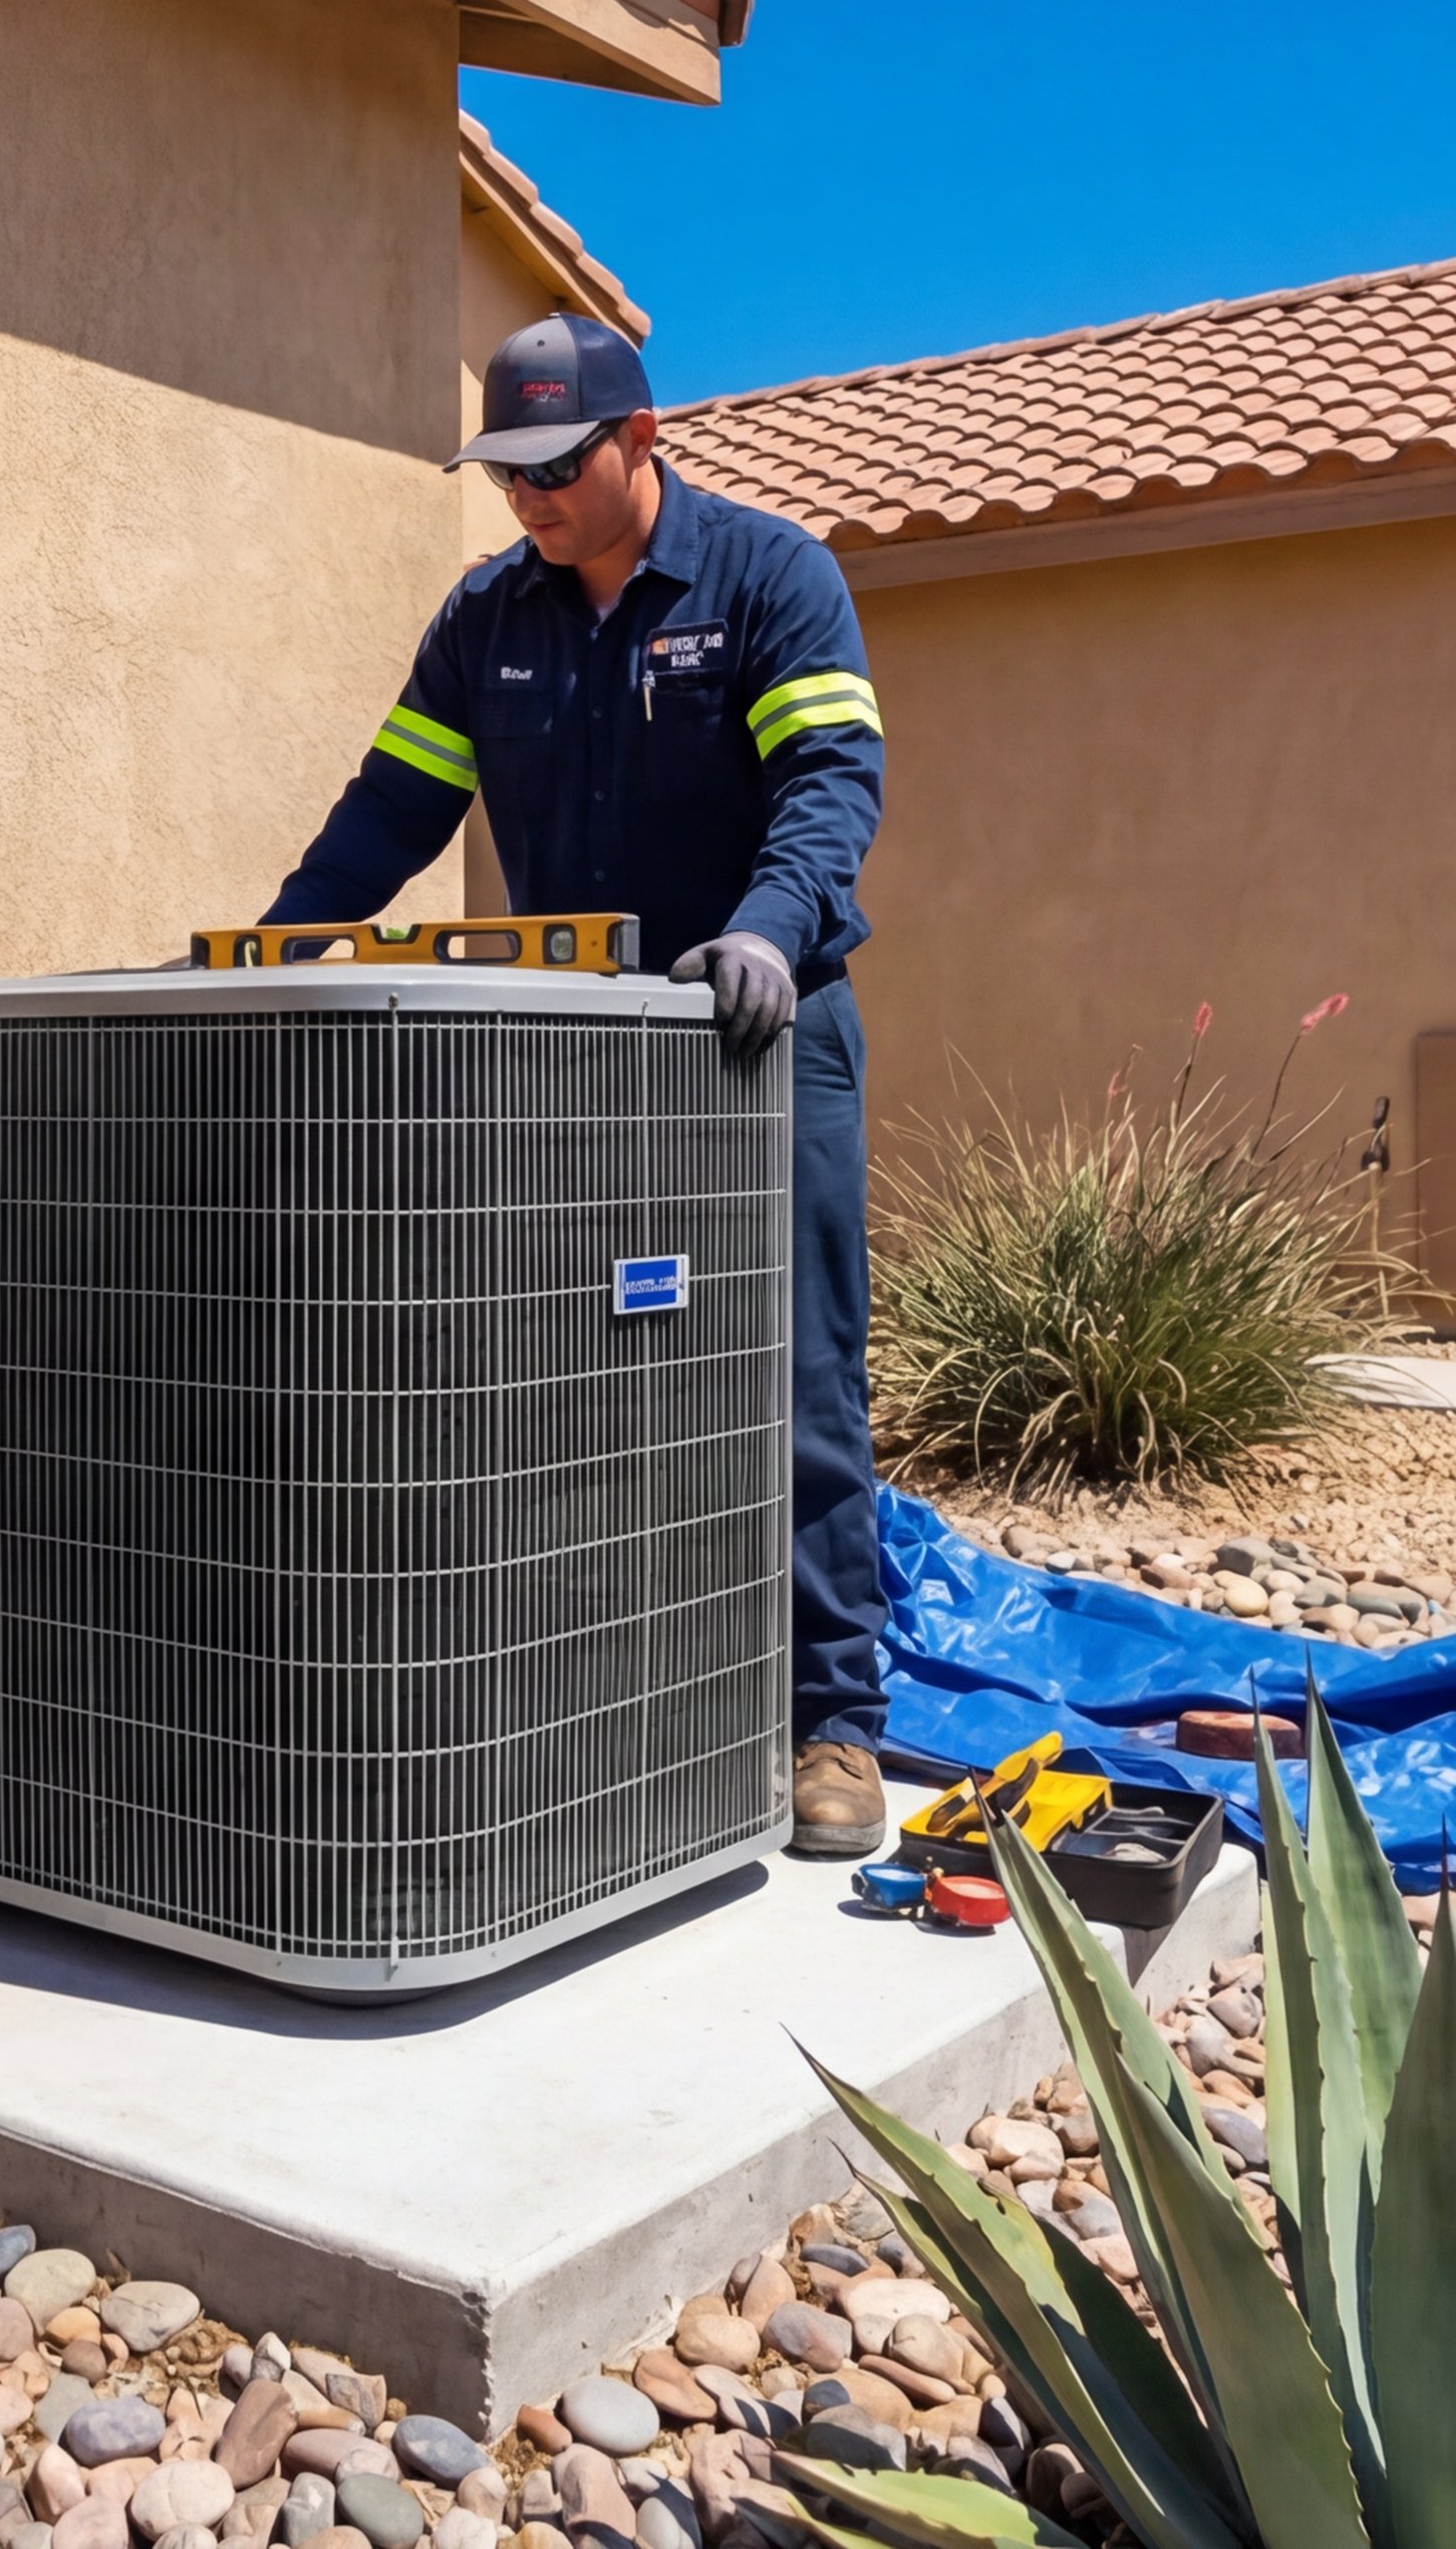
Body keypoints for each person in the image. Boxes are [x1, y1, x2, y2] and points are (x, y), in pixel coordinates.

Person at [262, 311, 896, 1859]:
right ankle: (618, 1681)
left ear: (639, 441)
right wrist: (272, 949)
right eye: (508, 472)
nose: (529, 499)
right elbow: (392, 805)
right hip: (579, 1059)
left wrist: (762, 929)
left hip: (759, 1033)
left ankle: (831, 1722)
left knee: (793, 1372)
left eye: (556, 466)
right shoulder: (487, 623)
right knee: (582, 1367)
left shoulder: (769, 581)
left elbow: (831, 788)